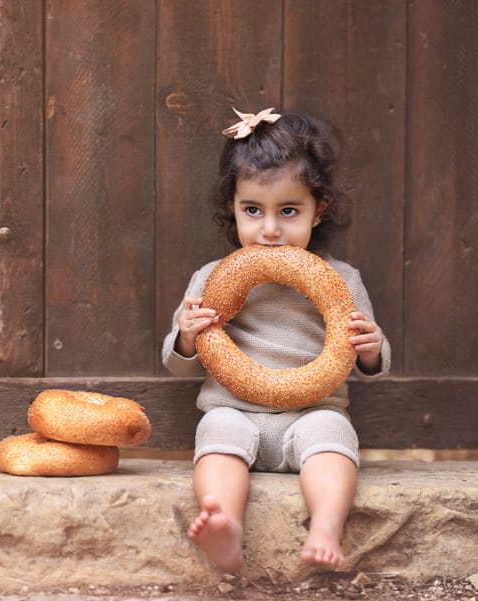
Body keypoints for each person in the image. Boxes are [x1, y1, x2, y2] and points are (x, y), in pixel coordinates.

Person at [161, 107, 391, 573]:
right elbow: (180, 363)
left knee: (333, 440)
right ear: (233, 208)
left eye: (289, 211)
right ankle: (224, 523)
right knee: (216, 439)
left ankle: (326, 525)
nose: (270, 229)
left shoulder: (341, 280)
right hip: (235, 411)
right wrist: (186, 338)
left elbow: (368, 360)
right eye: (253, 210)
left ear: (317, 210)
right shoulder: (211, 279)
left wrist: (371, 348)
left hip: (312, 414)